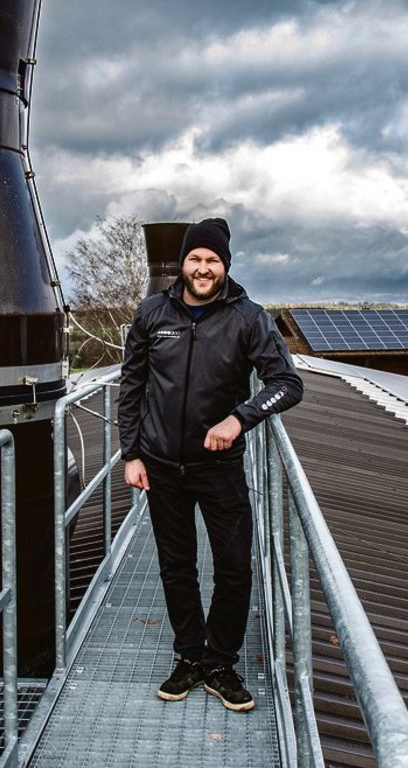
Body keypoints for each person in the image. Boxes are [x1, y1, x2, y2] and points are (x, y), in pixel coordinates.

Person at [118, 217, 303, 711]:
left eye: (213, 260)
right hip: (159, 466)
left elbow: (287, 384)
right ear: (183, 263)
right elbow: (131, 386)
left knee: (234, 567)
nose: (203, 268)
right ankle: (189, 656)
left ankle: (221, 661)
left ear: (225, 266)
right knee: (176, 567)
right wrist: (130, 453)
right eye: (195, 259)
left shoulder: (249, 319)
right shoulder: (153, 313)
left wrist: (240, 419)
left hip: (219, 470)